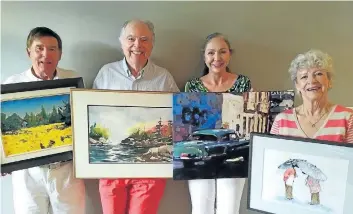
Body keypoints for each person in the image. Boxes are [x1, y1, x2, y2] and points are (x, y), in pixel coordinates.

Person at [93, 19, 179, 214]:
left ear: (152, 43)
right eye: (131, 39)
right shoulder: (106, 73)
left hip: (150, 168)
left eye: (144, 39)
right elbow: (93, 115)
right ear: (121, 42)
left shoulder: (164, 78)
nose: (137, 45)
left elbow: (176, 119)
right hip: (111, 164)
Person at [2, 27, 85, 214]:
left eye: (52, 49)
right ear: (28, 52)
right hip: (28, 173)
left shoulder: (72, 80)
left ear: (60, 54)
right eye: (39, 48)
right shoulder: (11, 85)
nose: (45, 54)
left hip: (66, 170)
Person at [270, 49, 353, 203]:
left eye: (318, 74)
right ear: (297, 85)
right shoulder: (282, 120)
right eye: (303, 76)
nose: (311, 81)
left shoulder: (348, 118)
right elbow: (274, 165)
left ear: (329, 81)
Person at [185, 32, 252, 214]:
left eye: (222, 52)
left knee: (229, 208)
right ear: (204, 56)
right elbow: (191, 123)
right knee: (200, 207)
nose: (217, 58)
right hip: (202, 157)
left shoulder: (243, 83)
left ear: (230, 54)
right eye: (211, 53)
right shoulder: (192, 86)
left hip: (231, 156)